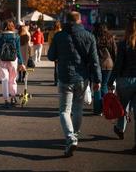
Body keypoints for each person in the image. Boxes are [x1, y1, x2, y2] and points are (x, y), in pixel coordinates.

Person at [48, 11, 102, 157]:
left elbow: (51, 55)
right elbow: (94, 61)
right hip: (82, 78)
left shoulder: (59, 36)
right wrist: (97, 80)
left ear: (67, 20)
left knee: (64, 110)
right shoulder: (89, 36)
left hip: (65, 76)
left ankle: (70, 137)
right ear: (80, 21)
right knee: (78, 109)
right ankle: (75, 135)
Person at [108, 15, 136, 153]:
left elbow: (118, 65)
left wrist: (110, 80)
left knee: (122, 108)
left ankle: (120, 128)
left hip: (125, 80)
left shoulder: (123, 44)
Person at [0, 20, 26, 108]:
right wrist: (21, 62)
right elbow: (18, 50)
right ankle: (13, 97)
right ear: (12, 26)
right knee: (12, 79)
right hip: (13, 61)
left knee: (4, 80)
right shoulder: (16, 36)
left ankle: (6, 99)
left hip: (2, 60)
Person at [92, 23, 117, 115]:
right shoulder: (110, 37)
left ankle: (98, 109)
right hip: (108, 64)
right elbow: (114, 51)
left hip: (96, 64)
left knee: (97, 86)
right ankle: (106, 107)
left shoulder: (93, 37)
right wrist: (115, 63)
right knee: (105, 85)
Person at [48, 20, 62, 86]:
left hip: (55, 50)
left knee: (56, 66)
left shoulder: (51, 32)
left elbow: (49, 42)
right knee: (61, 66)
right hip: (61, 50)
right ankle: (60, 80)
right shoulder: (62, 32)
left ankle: (56, 81)